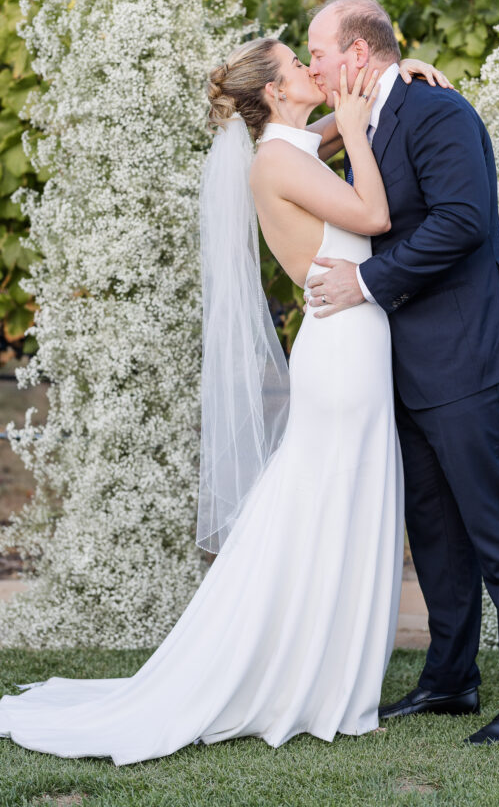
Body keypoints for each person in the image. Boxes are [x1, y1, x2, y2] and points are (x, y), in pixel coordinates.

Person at [0, 39, 449, 765]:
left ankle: (321, 666)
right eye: (297, 64)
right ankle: (294, 673)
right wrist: (361, 127)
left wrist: (394, 83)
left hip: (352, 341)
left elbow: (332, 129)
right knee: (324, 500)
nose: (313, 69)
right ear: (274, 92)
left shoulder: (288, 147)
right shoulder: (276, 161)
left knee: (330, 500)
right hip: (341, 350)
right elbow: (371, 215)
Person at [305, 0, 499, 746]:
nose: (313, 63)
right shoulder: (370, 116)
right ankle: (449, 680)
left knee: (494, 524)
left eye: (319, 51)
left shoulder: (439, 113)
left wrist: (364, 284)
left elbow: (462, 221)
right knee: (437, 530)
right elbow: (294, 149)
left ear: (355, 53)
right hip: (406, 362)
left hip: (467, 354)